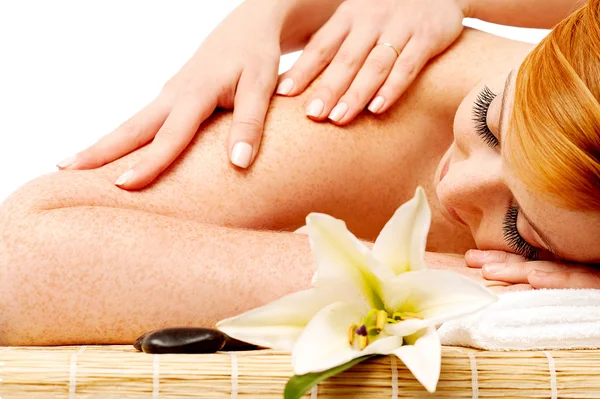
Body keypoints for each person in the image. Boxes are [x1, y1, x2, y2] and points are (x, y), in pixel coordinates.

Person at [0, 0, 598, 346]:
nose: (453, 187)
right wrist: (435, 284)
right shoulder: (394, 94)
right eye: (489, 119)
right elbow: (18, 261)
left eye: (521, 229)